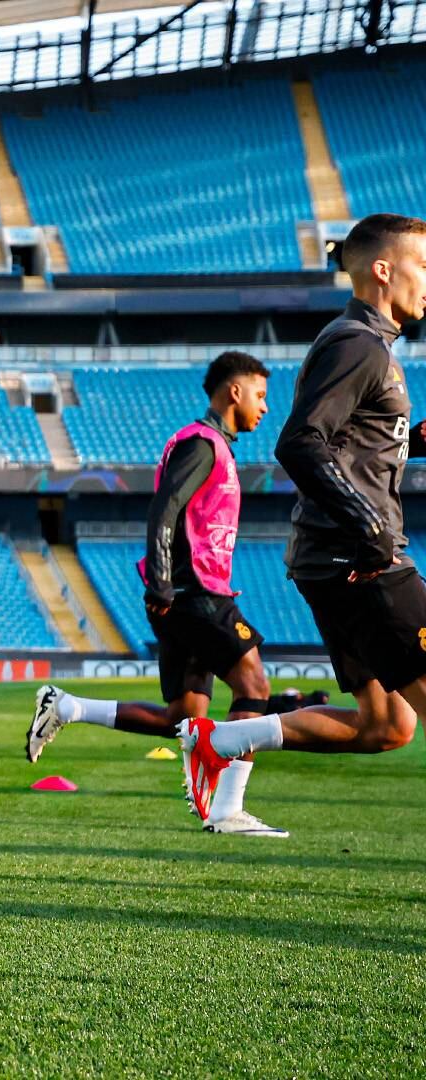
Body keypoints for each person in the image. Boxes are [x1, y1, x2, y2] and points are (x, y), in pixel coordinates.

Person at [179, 213, 426, 824]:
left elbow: (347, 442)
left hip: (333, 560)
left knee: (385, 725)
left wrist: (410, 440)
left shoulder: (366, 343)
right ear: (383, 270)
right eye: (424, 266)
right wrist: (369, 526)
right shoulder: (358, 343)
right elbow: (300, 442)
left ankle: (223, 739)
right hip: (361, 560)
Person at [29, 352, 285, 837]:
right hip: (195, 591)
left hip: (185, 592)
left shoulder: (212, 446)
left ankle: (67, 707)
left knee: (182, 717)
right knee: (254, 687)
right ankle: (227, 809)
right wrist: (162, 582)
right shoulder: (203, 444)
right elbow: (165, 509)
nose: (265, 406)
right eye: (260, 394)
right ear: (235, 392)